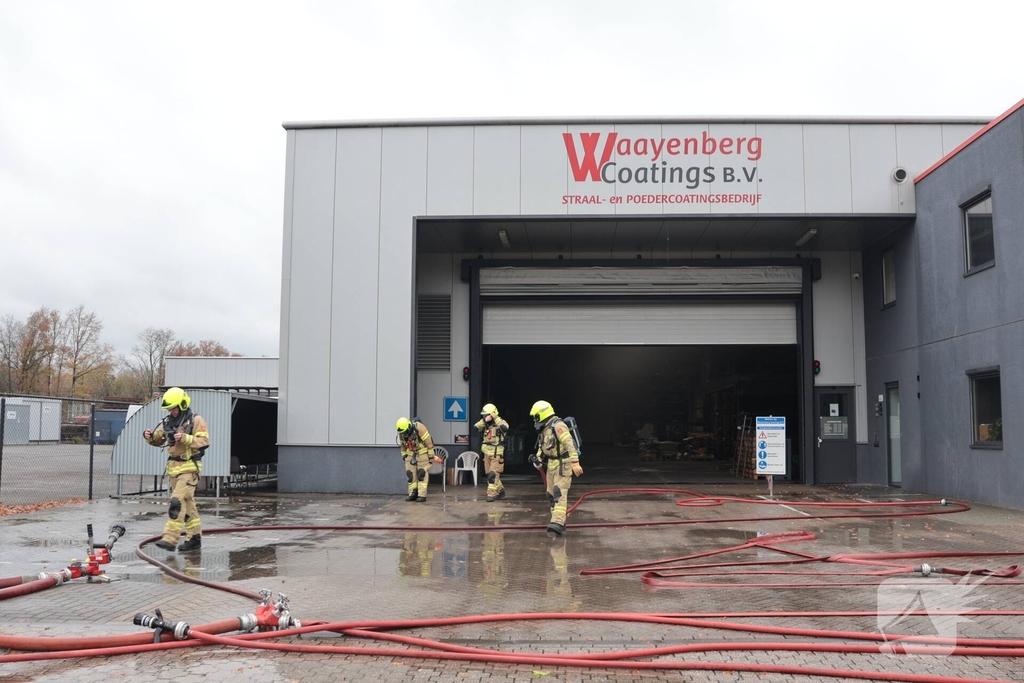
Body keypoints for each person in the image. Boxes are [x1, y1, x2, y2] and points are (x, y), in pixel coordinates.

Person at [143, 387, 209, 552]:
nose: (172, 411)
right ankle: (194, 538)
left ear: (183, 404)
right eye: (169, 408)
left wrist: (185, 438)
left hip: (190, 468)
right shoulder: (168, 422)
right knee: (187, 504)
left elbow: (204, 441)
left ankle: (170, 538)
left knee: (177, 501)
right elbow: (159, 439)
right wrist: (150, 436)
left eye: (174, 408)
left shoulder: (196, 420)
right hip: (173, 469)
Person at [529, 400, 583, 535]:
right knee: (551, 495)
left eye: (535, 417)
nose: (534, 421)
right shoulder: (545, 429)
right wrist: (538, 459)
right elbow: (542, 447)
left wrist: (575, 463)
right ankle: (558, 521)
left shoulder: (558, 426)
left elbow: (569, 444)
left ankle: (557, 522)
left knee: (559, 493)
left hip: (562, 465)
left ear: (541, 415)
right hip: (551, 465)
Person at [474, 403, 510, 502]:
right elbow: (476, 427)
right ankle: (501, 490)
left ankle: (491, 494)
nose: (485, 416)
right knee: (488, 473)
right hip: (486, 453)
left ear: (492, 414)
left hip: (496, 453)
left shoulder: (501, 422)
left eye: (487, 414)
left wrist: (495, 418)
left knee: (493, 475)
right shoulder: (485, 424)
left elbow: (505, 428)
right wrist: (484, 420)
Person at [397, 417, 435, 502]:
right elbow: (403, 445)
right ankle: (412, 493)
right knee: (410, 475)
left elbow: (428, 442)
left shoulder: (420, 428)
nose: (404, 434)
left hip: (422, 454)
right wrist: (404, 455)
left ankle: (422, 495)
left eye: (405, 432)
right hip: (410, 454)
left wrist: (431, 456)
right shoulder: (402, 432)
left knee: (422, 474)